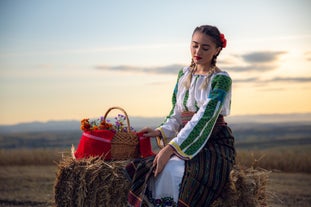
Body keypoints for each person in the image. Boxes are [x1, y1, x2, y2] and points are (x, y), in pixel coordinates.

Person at [126, 25, 236, 207]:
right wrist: (160, 131)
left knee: (172, 169)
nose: (197, 51)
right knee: (154, 169)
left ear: (217, 50)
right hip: (185, 138)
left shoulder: (221, 79)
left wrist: (169, 149)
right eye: (194, 45)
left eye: (205, 47)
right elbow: (176, 113)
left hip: (213, 141)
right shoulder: (184, 75)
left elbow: (204, 118)